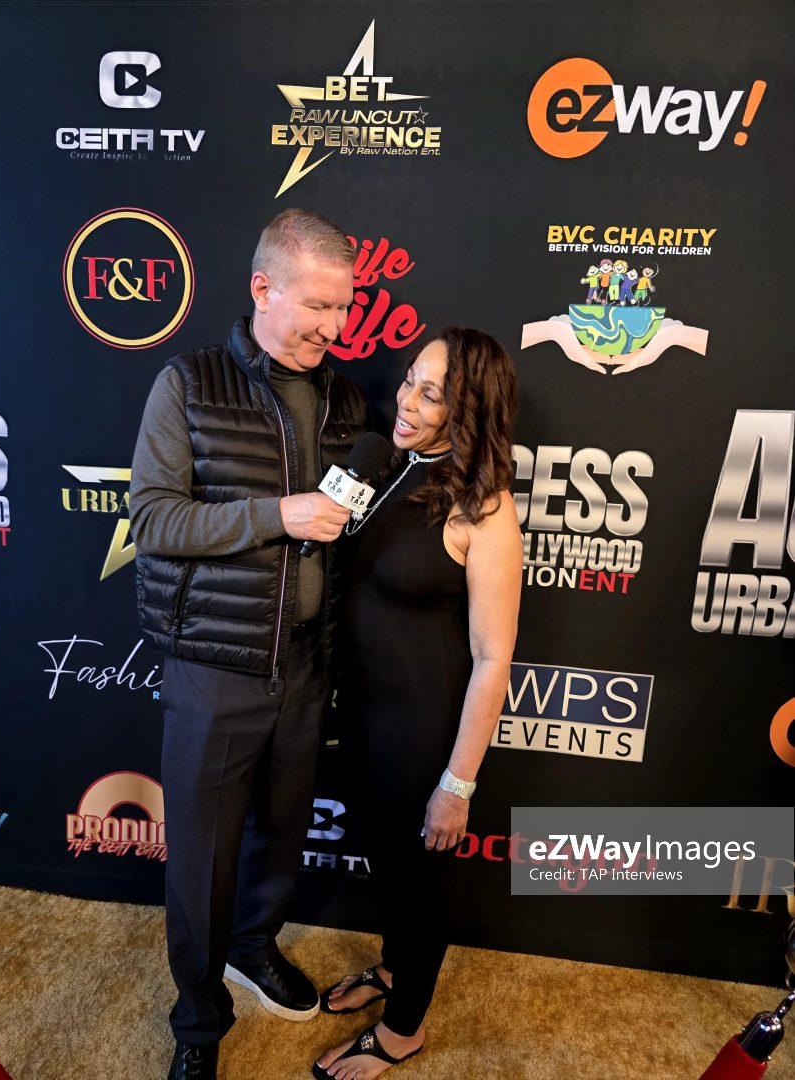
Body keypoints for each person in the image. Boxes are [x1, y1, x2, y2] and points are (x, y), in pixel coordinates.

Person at [128, 208, 369, 1080]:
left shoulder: (345, 397)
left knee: (283, 831)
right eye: (317, 306)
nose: (333, 327)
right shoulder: (189, 382)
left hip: (304, 665)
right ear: (263, 288)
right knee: (201, 860)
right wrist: (276, 515)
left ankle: (253, 945)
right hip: (213, 669)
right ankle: (198, 1027)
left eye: (343, 308)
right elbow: (154, 519)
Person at [312, 327, 522, 1078]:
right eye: (409, 380)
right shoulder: (393, 467)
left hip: (422, 734)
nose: (405, 400)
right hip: (364, 721)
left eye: (431, 395)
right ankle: (396, 968)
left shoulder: (484, 509)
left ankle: (403, 1032)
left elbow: (494, 658)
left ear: (466, 413)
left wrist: (456, 784)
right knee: (390, 868)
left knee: (420, 882)